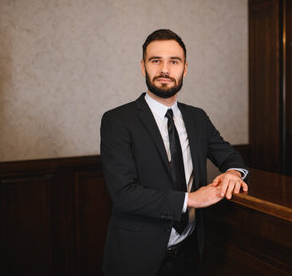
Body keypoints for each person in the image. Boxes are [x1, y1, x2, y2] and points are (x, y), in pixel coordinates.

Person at [100, 29, 248, 276]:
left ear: (185, 69)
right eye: (156, 60)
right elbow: (124, 194)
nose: (165, 69)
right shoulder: (117, 120)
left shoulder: (197, 117)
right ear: (143, 66)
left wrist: (233, 172)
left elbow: (230, 156)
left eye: (174, 61)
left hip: (189, 254)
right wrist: (191, 199)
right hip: (136, 259)